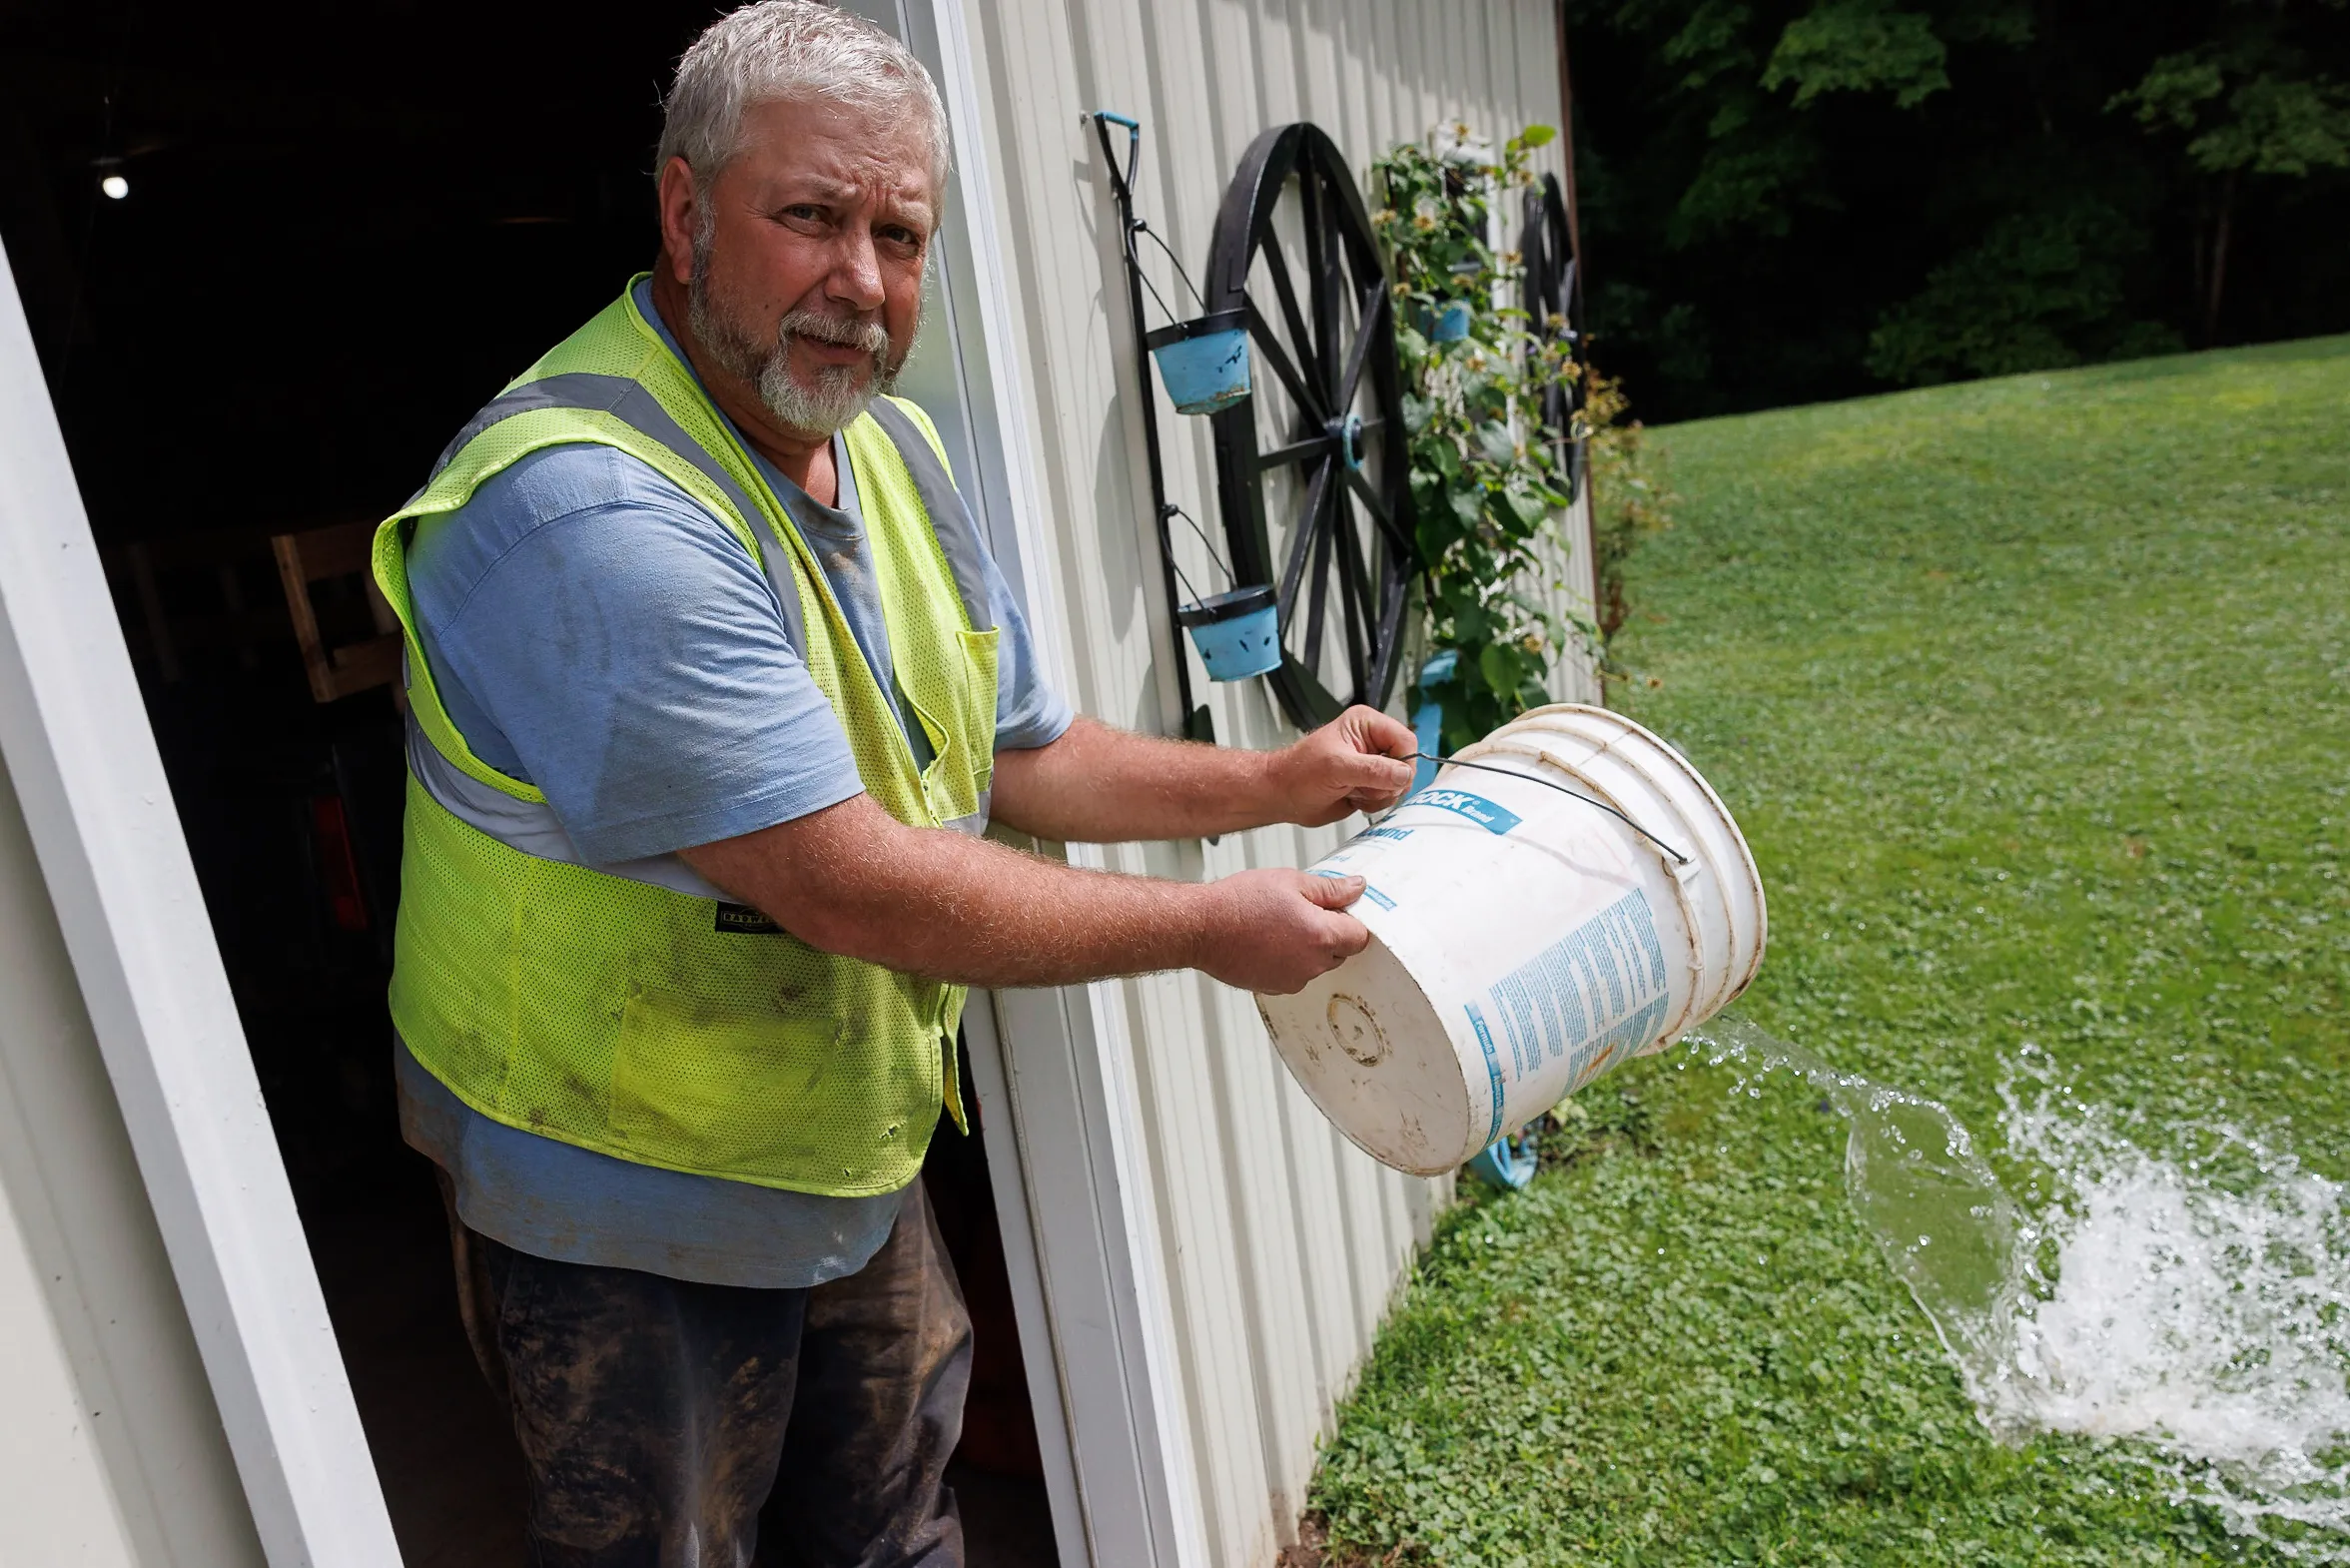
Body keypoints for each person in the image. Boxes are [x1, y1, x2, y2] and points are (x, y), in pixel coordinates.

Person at [371, 3, 1417, 1563]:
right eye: (810, 218)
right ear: (682, 210)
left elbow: (1025, 751)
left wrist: (1274, 776)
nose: (861, 281)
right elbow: (841, 876)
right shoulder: (583, 505)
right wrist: (1209, 928)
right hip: (613, 1192)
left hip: (831, 1151)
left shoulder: (898, 457)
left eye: (899, 233)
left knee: (896, 1531)